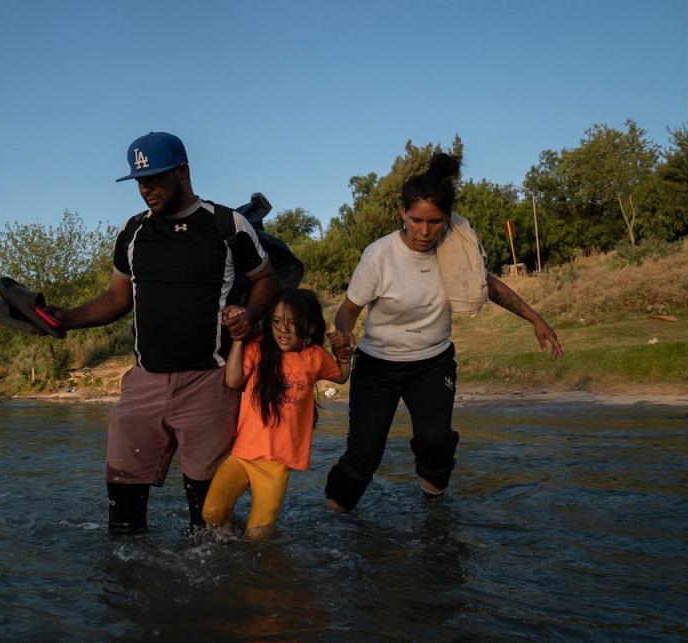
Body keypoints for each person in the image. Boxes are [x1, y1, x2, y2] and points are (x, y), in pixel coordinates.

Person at [43, 131, 278, 533]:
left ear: (183, 171)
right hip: (143, 384)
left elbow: (265, 279)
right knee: (123, 521)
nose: (146, 188)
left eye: (155, 177)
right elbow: (117, 299)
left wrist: (249, 314)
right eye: (139, 180)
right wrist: (61, 318)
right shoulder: (133, 232)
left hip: (210, 382)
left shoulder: (227, 225)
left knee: (208, 523)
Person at [325, 152, 563, 511]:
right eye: (416, 220)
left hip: (432, 363)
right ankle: (334, 521)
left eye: (434, 222)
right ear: (402, 214)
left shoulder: (454, 249)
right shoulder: (379, 256)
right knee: (364, 456)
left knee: (435, 440)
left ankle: (434, 515)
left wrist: (535, 319)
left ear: (447, 219)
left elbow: (490, 286)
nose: (424, 232)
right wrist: (343, 336)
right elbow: (347, 311)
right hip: (378, 366)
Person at [202, 289, 351, 539]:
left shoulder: (314, 357)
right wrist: (239, 339)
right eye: (277, 322)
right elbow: (233, 380)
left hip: (276, 465)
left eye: (293, 323)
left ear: (311, 326)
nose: (283, 329)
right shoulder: (258, 347)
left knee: (258, 535)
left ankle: (254, 565)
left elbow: (341, 375)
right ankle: (229, 547)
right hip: (242, 455)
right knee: (212, 513)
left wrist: (344, 355)